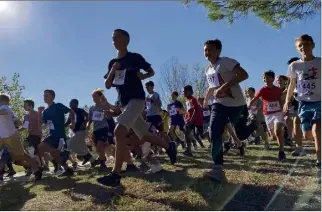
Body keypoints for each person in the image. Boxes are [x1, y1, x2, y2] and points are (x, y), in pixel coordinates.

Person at [100, 29, 177, 186]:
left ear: (125, 41)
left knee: (118, 131)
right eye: (112, 38)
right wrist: (113, 70)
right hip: (125, 103)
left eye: (116, 37)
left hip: (137, 99)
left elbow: (151, 71)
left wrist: (144, 76)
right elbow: (107, 85)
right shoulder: (112, 63)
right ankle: (169, 146)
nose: (113, 40)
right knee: (144, 134)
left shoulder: (134, 58)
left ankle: (116, 174)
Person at [203, 39, 248, 182]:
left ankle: (245, 137)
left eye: (210, 49)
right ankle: (217, 169)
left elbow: (243, 75)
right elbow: (212, 86)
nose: (207, 52)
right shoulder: (208, 69)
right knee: (214, 131)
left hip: (237, 104)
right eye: (205, 50)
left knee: (239, 131)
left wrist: (224, 87)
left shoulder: (226, 62)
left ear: (218, 51)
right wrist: (205, 100)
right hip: (219, 103)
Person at [283, 34, 320, 182]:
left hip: (319, 100)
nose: (304, 47)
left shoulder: (319, 62)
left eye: (306, 44)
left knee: (317, 131)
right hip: (303, 102)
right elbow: (291, 85)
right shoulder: (294, 66)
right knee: (307, 135)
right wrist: (287, 100)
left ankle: (319, 163)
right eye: (301, 46)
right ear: (297, 49)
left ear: (313, 45)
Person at [0, 93, 42, 180]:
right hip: (3, 137)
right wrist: (12, 123)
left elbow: (4, 112)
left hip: (11, 137)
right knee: (5, 156)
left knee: (23, 155)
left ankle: (36, 170)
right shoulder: (8, 110)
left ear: (3, 101)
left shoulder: (5, 108)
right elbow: (18, 122)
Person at [249, 71, 286, 160]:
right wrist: (249, 105)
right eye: (264, 78)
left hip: (278, 112)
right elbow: (255, 98)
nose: (265, 79)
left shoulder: (277, 89)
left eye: (268, 77)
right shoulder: (262, 90)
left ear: (273, 79)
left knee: (278, 131)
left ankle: (281, 151)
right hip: (268, 114)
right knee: (273, 136)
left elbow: (282, 97)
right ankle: (280, 140)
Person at [37, 89, 75, 176]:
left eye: (46, 95)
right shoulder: (45, 111)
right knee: (49, 153)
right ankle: (68, 169)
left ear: (53, 97)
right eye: (44, 96)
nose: (44, 97)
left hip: (60, 135)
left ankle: (61, 154)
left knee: (41, 147)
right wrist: (39, 113)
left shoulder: (58, 106)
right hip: (52, 135)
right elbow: (41, 123)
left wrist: (72, 123)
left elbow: (71, 111)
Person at [87, 89, 113, 172]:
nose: (93, 98)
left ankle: (102, 164)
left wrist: (107, 112)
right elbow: (90, 119)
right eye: (92, 97)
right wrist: (88, 125)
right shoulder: (91, 108)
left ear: (100, 96)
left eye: (95, 96)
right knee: (98, 149)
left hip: (104, 128)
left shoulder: (104, 105)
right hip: (95, 129)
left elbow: (109, 116)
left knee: (100, 146)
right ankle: (104, 158)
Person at [65, 99, 95, 168]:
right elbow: (67, 122)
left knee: (69, 145)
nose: (70, 105)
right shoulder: (70, 113)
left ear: (76, 104)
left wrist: (85, 123)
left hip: (81, 131)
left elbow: (87, 116)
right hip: (76, 133)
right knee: (80, 147)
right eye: (70, 103)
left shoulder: (79, 110)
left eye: (71, 103)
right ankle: (92, 160)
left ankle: (66, 166)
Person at [285, 57, 305, 157]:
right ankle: (299, 147)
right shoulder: (291, 79)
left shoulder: (308, 72)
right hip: (297, 101)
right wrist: (287, 101)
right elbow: (289, 89)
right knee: (296, 121)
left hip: (312, 100)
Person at [183, 85, 204, 157]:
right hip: (189, 120)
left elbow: (195, 110)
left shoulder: (193, 99)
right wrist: (186, 117)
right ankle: (189, 150)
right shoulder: (187, 100)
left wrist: (191, 120)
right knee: (186, 132)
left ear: (189, 92)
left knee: (200, 135)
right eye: (183, 91)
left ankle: (209, 135)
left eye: (185, 91)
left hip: (196, 120)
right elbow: (188, 110)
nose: (183, 93)